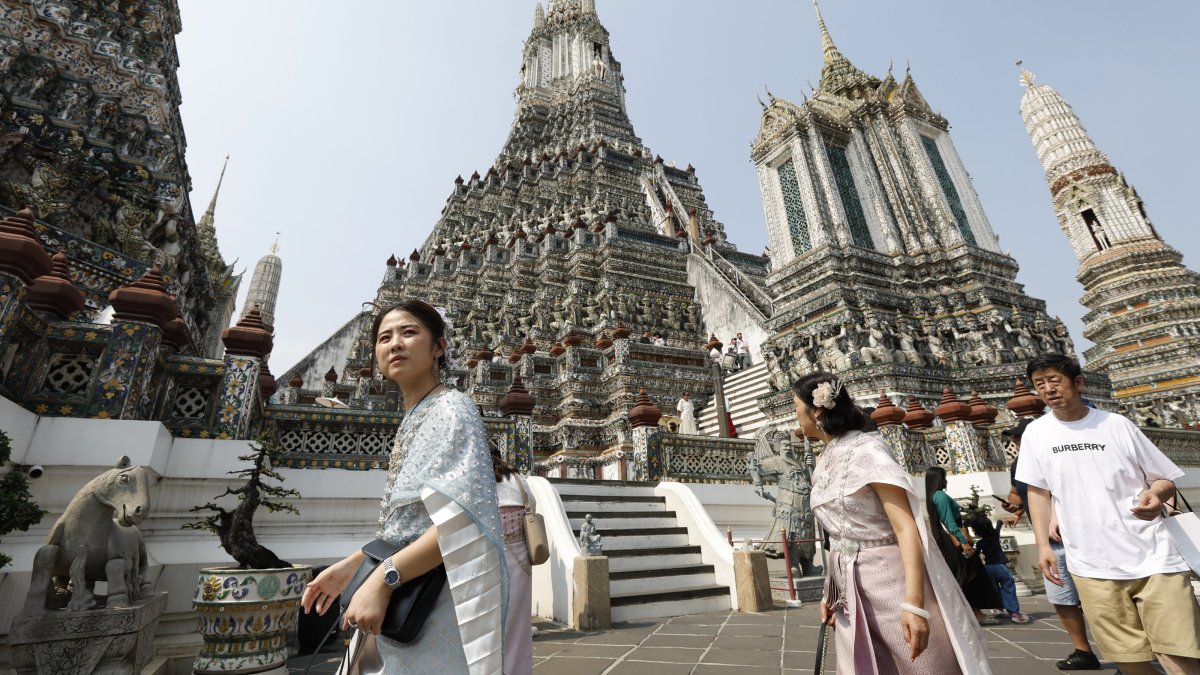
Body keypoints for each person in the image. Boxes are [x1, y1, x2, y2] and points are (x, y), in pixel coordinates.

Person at [301, 300, 508, 675]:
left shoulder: (452, 409)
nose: (395, 343)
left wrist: (382, 580)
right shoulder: (416, 415)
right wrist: (353, 566)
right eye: (384, 337)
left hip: (433, 601)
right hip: (408, 592)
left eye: (408, 332)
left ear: (439, 347)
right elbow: (407, 525)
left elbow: (459, 522)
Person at [1016, 353, 1200, 675]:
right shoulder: (1036, 433)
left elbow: (1164, 480)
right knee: (1130, 661)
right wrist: (1043, 545)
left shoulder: (1116, 425)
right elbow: (1038, 491)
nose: (1048, 389)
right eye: (1040, 384)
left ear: (1078, 382)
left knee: (1180, 656)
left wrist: (1155, 495)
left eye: (1054, 381)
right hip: (1091, 564)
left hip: (1154, 557)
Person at [798, 372, 990, 674]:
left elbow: (905, 527)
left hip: (891, 577)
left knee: (919, 663)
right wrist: (831, 591)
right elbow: (838, 534)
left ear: (817, 409)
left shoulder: (867, 449)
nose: (795, 415)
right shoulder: (823, 458)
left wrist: (914, 604)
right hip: (848, 583)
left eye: (795, 406)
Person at [1003, 418, 1101, 670]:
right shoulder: (1018, 465)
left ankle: (1124, 651)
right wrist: (1014, 505)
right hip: (1048, 543)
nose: (1015, 440)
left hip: (1079, 536)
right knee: (1062, 597)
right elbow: (1018, 492)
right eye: (1013, 437)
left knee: (1099, 596)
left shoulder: (1057, 456)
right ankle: (1083, 650)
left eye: (1019, 435)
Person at [926, 467, 1005, 625]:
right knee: (970, 574)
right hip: (952, 540)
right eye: (944, 477)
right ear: (938, 479)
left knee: (965, 574)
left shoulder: (934, 496)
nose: (946, 480)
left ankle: (970, 613)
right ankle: (976, 614)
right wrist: (963, 542)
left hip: (945, 539)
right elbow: (949, 521)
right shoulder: (940, 496)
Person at [491, 442, 534, 675]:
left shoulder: (479, 481)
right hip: (520, 557)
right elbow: (532, 505)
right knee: (518, 624)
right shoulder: (518, 479)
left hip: (488, 556)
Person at [965, 513, 1030, 624]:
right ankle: (1015, 613)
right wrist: (1003, 520)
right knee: (1008, 588)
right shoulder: (995, 535)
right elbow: (999, 522)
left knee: (994, 589)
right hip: (1001, 566)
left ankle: (998, 608)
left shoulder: (980, 543)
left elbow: (975, 555)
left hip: (989, 568)